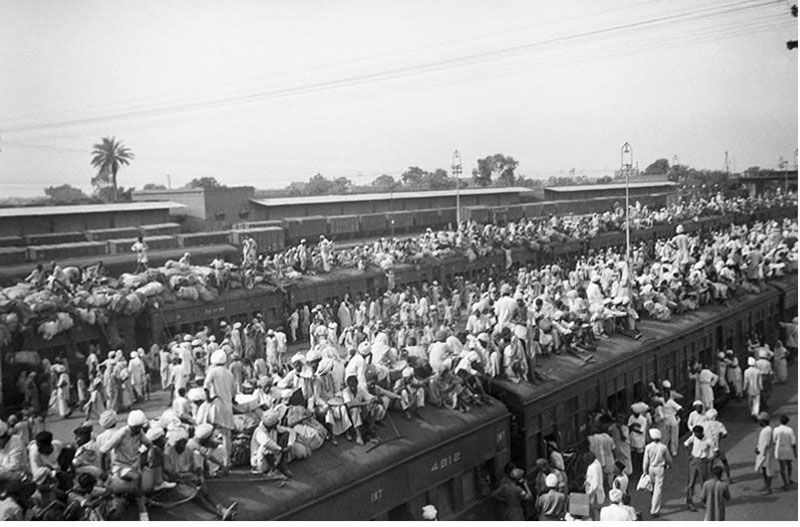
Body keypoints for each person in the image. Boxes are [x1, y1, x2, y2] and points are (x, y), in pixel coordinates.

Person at [204, 349, 236, 471]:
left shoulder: (212, 371)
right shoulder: (228, 373)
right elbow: (233, 392)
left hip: (216, 405)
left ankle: (211, 461)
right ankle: (226, 462)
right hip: (227, 406)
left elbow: (206, 386)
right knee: (226, 436)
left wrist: (208, 399)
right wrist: (232, 401)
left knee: (211, 433)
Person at [643, 428, 672, 518]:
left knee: (652, 486)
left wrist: (644, 471)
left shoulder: (648, 447)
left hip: (651, 468)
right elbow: (668, 459)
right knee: (658, 489)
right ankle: (654, 510)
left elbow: (645, 460)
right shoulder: (663, 447)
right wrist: (669, 465)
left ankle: (654, 502)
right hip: (660, 468)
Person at [703, 408, 732, 483]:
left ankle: (712, 478)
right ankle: (729, 478)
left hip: (709, 447)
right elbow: (725, 434)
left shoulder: (704, 424)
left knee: (710, 463)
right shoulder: (719, 424)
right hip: (719, 446)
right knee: (724, 462)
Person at [773, 414, 796, 491]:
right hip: (788, 449)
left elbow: (774, 440)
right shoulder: (790, 430)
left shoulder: (776, 430)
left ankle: (785, 483)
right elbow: (793, 443)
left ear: (780, 421)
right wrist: (795, 453)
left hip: (780, 450)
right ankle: (789, 479)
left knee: (782, 467)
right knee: (789, 465)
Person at [755, 412, 775, 494]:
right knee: (764, 469)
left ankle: (769, 488)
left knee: (768, 470)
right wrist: (757, 447)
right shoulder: (764, 430)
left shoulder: (768, 430)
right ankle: (765, 485)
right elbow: (761, 442)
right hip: (762, 452)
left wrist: (761, 452)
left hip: (766, 453)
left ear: (763, 421)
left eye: (760, 421)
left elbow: (766, 443)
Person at [583, 451, 605, 521]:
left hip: (594, 493)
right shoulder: (596, 463)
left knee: (594, 509)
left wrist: (590, 493)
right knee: (595, 509)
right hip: (596, 490)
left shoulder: (593, 467)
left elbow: (595, 484)